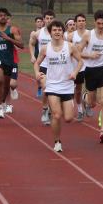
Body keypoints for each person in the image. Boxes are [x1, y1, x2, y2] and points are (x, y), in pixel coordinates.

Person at [34, 19, 82, 153]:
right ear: (50, 32)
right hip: (52, 85)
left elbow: (80, 61)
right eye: (54, 30)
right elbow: (37, 63)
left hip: (67, 85)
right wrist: (37, 73)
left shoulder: (70, 46)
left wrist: (75, 72)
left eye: (59, 30)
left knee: (68, 118)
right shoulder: (45, 48)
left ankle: (64, 106)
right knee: (56, 115)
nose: (57, 32)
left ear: (63, 32)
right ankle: (57, 142)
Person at [82, 10, 103, 144]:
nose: (101, 26)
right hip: (91, 70)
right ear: (94, 22)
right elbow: (77, 51)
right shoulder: (88, 35)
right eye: (98, 23)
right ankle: (85, 98)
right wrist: (90, 55)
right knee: (92, 103)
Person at [0, 8, 24, 120]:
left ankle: (3, 102)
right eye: (0, 15)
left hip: (9, 60)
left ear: (7, 17)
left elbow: (21, 45)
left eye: (4, 15)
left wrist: (9, 38)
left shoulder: (13, 30)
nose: (2, 17)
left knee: (7, 85)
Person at [30, 10, 55, 125]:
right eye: (47, 18)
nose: (49, 20)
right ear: (44, 19)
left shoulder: (58, 32)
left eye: (51, 18)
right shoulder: (38, 33)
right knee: (46, 88)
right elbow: (31, 44)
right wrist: (32, 56)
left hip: (55, 66)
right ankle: (45, 109)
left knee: (54, 90)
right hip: (43, 65)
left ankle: (50, 109)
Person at [70, 14, 91, 121]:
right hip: (77, 66)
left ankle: (87, 103)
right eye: (79, 21)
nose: (81, 22)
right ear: (75, 23)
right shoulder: (71, 36)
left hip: (90, 65)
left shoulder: (91, 34)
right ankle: (80, 110)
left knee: (91, 89)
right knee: (78, 90)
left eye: (83, 20)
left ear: (85, 22)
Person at [28, 16, 45, 98]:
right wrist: (32, 56)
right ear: (35, 23)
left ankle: (46, 88)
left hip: (46, 57)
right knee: (38, 75)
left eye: (41, 21)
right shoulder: (34, 33)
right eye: (38, 22)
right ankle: (39, 87)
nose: (39, 23)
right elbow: (31, 44)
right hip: (37, 56)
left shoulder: (47, 32)